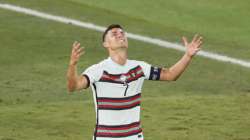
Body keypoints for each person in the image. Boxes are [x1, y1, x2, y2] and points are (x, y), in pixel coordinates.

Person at [67, 24, 203, 140]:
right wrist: (72, 65)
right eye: (114, 34)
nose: (120, 35)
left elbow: (170, 75)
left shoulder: (139, 68)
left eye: (122, 33)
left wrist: (187, 56)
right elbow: (73, 86)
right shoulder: (98, 70)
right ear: (106, 44)